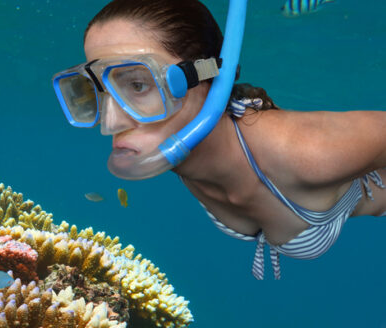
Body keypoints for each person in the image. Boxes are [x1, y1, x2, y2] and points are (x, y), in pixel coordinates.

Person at [52, 0, 386, 279]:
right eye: (96, 91)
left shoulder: (305, 151)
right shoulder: (178, 151)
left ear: (210, 78)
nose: (110, 123)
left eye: (138, 85)